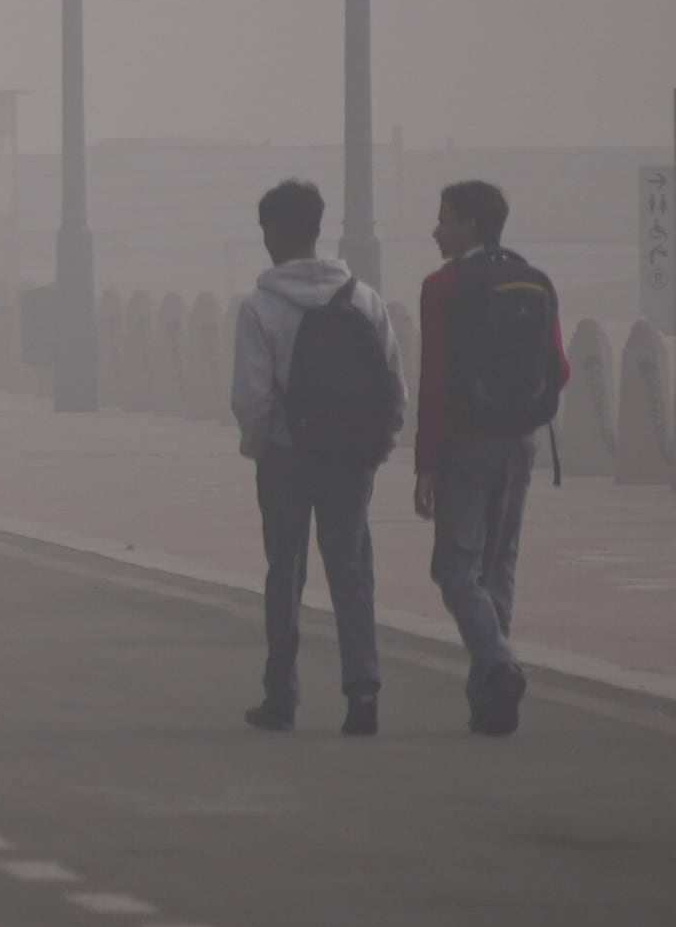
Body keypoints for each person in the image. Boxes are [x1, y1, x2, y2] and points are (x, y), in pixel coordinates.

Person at [228, 178, 401, 736]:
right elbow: (392, 383)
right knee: (350, 567)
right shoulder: (362, 297)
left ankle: (281, 693)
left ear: (273, 233)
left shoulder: (259, 306)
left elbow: (252, 395)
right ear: (318, 229)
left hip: (285, 455)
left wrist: (257, 446)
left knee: (286, 571)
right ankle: (363, 690)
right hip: (350, 457)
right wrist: (378, 444)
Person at [414, 178, 567, 737]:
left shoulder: (443, 286)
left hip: (465, 442)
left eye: (445, 219)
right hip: (522, 442)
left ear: (471, 225)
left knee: (453, 566)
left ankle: (498, 664)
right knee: (497, 567)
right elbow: (562, 370)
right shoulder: (534, 279)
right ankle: (492, 704)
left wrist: (424, 465)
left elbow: (435, 381)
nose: (436, 230)